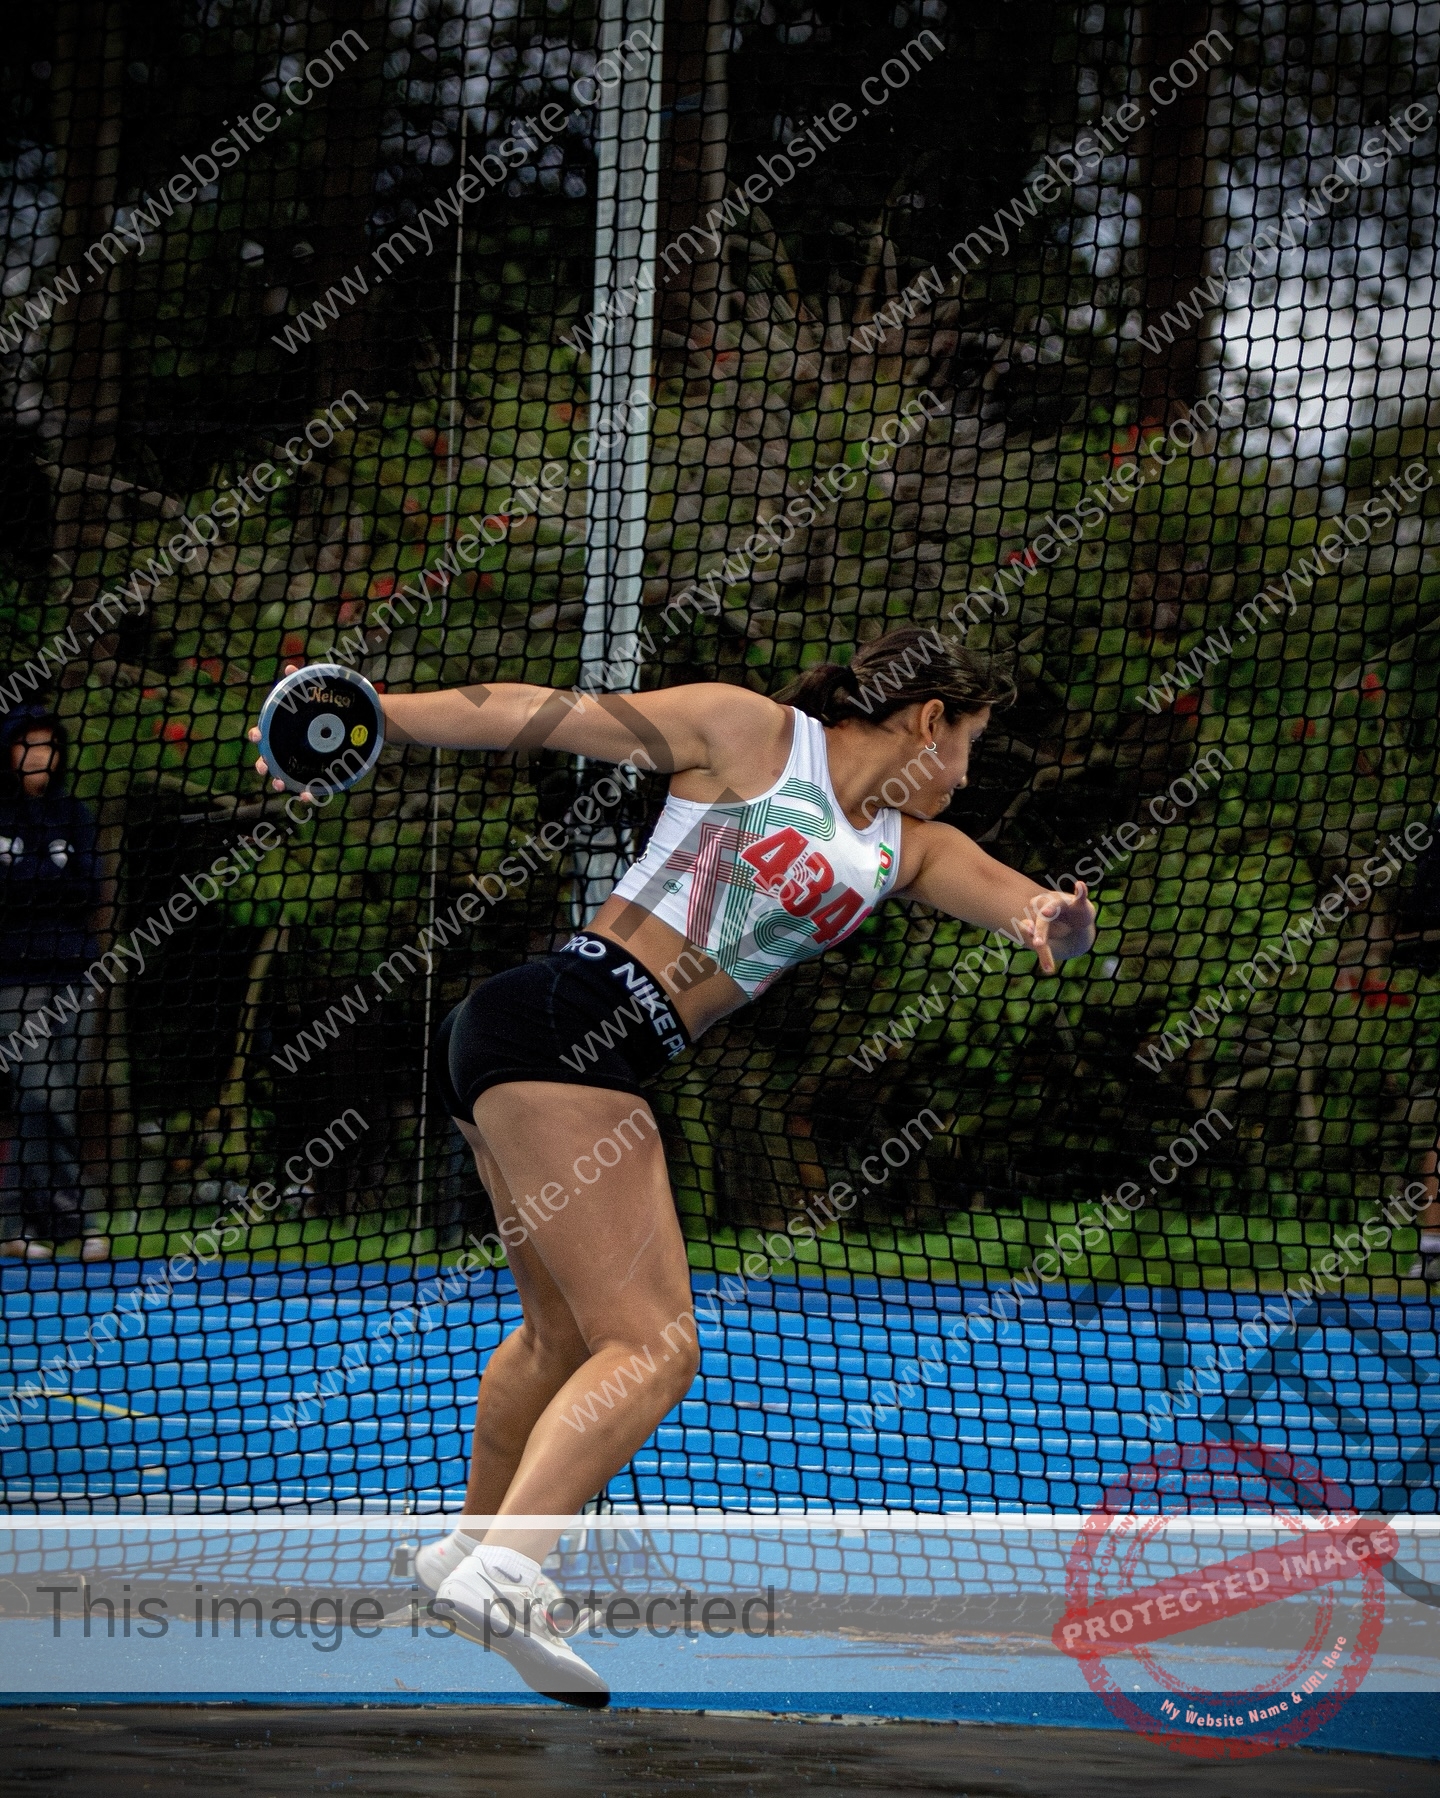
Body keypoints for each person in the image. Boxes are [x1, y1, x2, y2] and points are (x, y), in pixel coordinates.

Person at [252, 626, 1097, 1703]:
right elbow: (535, 710)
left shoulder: (908, 845)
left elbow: (1025, 908)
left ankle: (471, 1550)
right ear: (928, 721)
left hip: (551, 1042)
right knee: (654, 1345)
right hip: (571, 1013)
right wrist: (373, 708)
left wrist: (1056, 921)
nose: (971, 771)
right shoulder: (749, 731)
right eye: (971, 741)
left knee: (562, 1333)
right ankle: (512, 1567)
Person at [0, 706, 107, 1262]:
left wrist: (29, 880)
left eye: (48, 746)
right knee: (45, 1093)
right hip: (15, 978)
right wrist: (47, 879)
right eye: (28, 745)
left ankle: (16, 1224)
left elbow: (87, 890)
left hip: (74, 975)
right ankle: (74, 1216)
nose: (39, 756)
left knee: (50, 1099)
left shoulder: (75, 816)